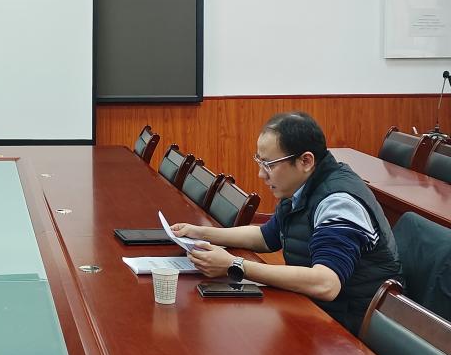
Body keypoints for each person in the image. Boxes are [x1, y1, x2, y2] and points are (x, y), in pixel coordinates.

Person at [171, 112, 401, 333]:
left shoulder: (338, 202)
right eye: (260, 162)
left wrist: (236, 265)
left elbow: (326, 284)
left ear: (306, 161)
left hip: (350, 327)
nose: (261, 174)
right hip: (315, 309)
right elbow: (266, 237)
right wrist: (200, 233)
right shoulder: (302, 187)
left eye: (269, 165)